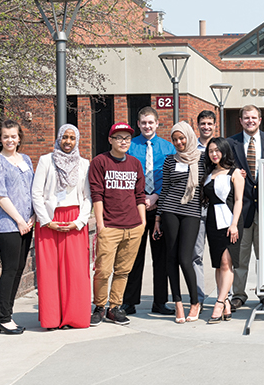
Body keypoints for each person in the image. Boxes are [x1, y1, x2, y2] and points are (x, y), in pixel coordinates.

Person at [32, 124, 92, 329]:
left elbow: (88, 197)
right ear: (58, 138)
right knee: (50, 271)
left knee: (75, 272)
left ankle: (73, 317)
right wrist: (46, 221)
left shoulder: (84, 164)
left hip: (74, 221)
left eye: (72, 138)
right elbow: (36, 194)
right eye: (64, 137)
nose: (68, 141)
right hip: (50, 221)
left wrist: (79, 222)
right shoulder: (45, 161)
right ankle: (52, 318)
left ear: (77, 141)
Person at [88, 122, 146, 326]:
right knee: (103, 270)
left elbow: (140, 195)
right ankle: (99, 307)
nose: (124, 142)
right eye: (119, 138)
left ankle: (115, 307)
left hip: (133, 226)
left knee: (123, 271)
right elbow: (97, 195)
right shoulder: (100, 162)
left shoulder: (135, 164)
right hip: (110, 226)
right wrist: (101, 225)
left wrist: (142, 223)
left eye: (128, 138)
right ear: (110, 140)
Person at [121, 107, 176, 316]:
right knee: (133, 256)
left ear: (157, 123)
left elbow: (172, 178)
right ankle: (129, 301)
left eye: (151, 122)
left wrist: (156, 196)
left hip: (161, 208)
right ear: (138, 124)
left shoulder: (168, 148)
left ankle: (160, 302)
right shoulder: (130, 146)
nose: (147, 126)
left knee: (161, 258)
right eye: (143, 123)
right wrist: (141, 199)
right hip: (135, 207)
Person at [228, 105, 264, 310]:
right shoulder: (230, 143)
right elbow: (224, 169)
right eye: (246, 118)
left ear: (260, 120)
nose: (250, 121)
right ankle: (239, 294)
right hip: (242, 210)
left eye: (253, 117)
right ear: (240, 121)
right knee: (240, 256)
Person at [0, 120, 34, 334]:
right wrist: (19, 220)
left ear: (19, 138)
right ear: (0, 138)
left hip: (27, 223)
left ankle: (9, 315)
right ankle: (2, 318)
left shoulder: (25, 159)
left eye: (13, 136)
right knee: (10, 270)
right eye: (6, 136)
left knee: (18, 270)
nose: (10, 140)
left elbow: (32, 190)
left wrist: (32, 216)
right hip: (7, 225)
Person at [156, 121, 205, 323]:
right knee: (171, 257)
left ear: (189, 136)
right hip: (169, 211)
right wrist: (158, 217)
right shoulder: (170, 160)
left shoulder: (202, 159)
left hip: (192, 212)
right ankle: (177, 302)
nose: (179, 142)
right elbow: (165, 188)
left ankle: (195, 302)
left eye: (181, 138)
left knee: (186, 258)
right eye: (175, 139)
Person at [201, 137, 244, 323]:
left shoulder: (235, 173)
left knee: (227, 263)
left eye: (217, 150)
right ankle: (225, 301)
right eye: (211, 151)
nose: (214, 154)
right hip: (212, 221)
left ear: (225, 151)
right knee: (218, 264)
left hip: (229, 221)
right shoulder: (208, 173)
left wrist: (234, 224)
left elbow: (239, 200)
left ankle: (219, 302)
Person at [193, 110, 217, 306]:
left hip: (218, 210)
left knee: (223, 257)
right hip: (197, 209)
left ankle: (225, 297)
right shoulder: (191, 150)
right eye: (203, 123)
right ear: (197, 125)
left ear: (214, 125)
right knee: (196, 255)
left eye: (210, 123)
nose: (206, 126)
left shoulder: (222, 147)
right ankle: (198, 299)